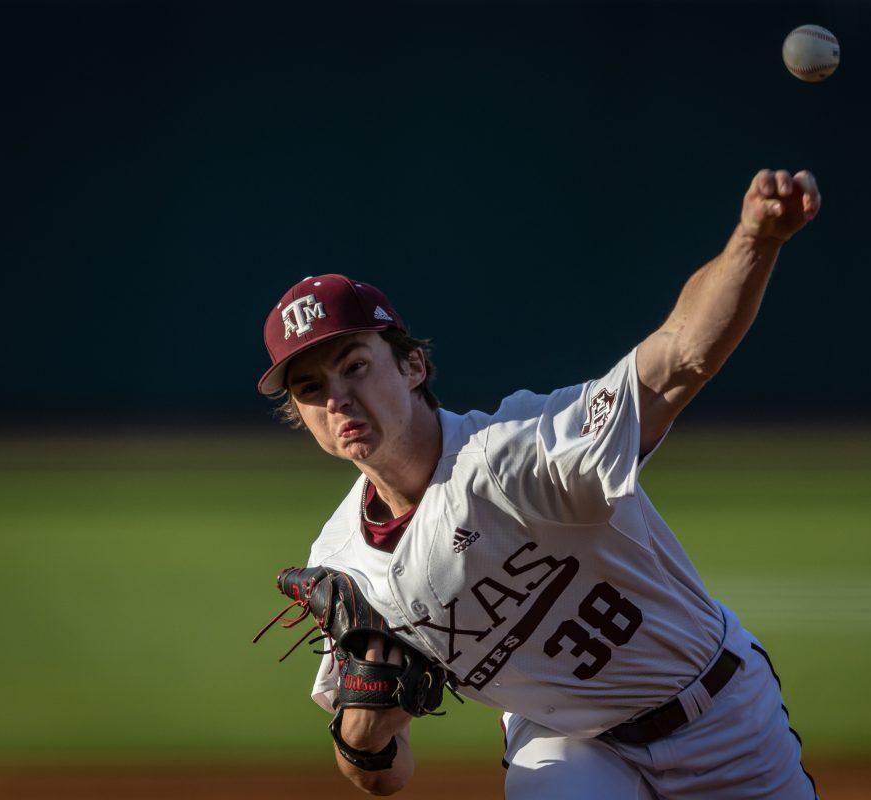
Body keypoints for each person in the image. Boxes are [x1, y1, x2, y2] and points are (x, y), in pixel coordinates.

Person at [256, 169, 821, 798]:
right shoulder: (342, 563)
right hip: (567, 744)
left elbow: (678, 359)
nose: (337, 399)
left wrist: (754, 240)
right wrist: (363, 738)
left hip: (718, 713)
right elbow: (386, 778)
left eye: (355, 366)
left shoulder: (512, 456)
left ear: (412, 364)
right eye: (311, 390)